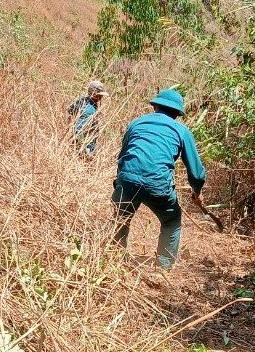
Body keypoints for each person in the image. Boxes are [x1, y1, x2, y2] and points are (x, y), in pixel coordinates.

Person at [112, 88, 206, 269]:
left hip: (127, 179)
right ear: (178, 113)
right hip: (158, 185)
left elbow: (123, 156)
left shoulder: (136, 123)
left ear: (155, 106)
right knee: (171, 221)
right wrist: (197, 190)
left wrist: (120, 182)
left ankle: (114, 260)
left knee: (121, 218)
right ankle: (163, 267)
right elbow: (196, 173)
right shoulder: (182, 131)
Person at [69, 80, 108, 156]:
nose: (101, 97)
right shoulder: (89, 110)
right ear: (94, 94)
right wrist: (84, 149)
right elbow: (78, 129)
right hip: (84, 148)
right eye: (100, 95)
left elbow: (70, 111)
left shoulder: (82, 101)